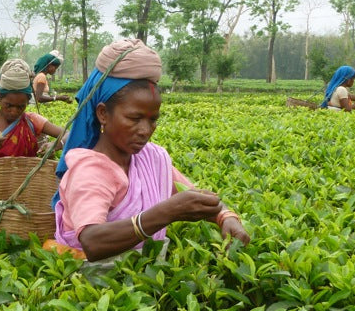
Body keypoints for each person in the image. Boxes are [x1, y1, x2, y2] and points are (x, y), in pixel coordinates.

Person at [49, 39, 250, 262]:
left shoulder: (152, 158)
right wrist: (167, 212)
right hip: (91, 283)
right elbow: (93, 240)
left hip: (140, 277)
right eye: (134, 118)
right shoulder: (90, 170)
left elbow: (193, 197)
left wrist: (225, 215)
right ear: (103, 113)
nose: (145, 130)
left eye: (153, 120)